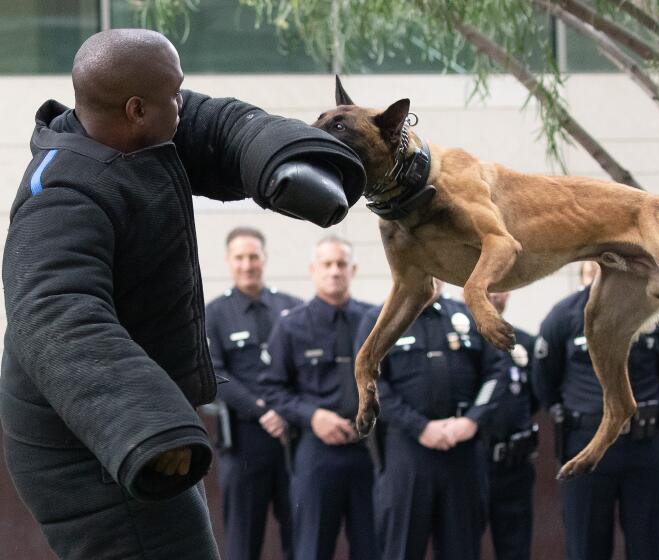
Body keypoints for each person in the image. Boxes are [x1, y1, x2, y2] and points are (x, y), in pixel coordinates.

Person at [0, 29, 365, 560]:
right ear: (135, 109)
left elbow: (210, 125)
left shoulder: (125, 128)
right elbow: (57, 317)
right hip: (86, 449)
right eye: (173, 94)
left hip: (126, 436)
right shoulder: (59, 198)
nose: (183, 102)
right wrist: (150, 425)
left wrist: (281, 158)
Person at [533, 261, 659, 560]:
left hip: (644, 444)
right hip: (586, 444)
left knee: (647, 544)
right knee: (586, 545)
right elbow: (544, 379)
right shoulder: (565, 315)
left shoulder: (654, 311)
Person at [356, 279, 509, 560]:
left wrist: (472, 420)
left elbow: (497, 371)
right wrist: (420, 427)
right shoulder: (379, 320)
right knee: (401, 548)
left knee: (463, 549)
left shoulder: (469, 314)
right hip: (408, 451)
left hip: (462, 450)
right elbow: (373, 383)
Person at [259, 236, 378, 560]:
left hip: (369, 452)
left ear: (353, 269)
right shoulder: (291, 325)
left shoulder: (374, 322)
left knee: (373, 547)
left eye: (341, 264)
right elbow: (272, 388)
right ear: (313, 270)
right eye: (327, 264)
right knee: (312, 548)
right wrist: (312, 416)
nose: (335, 271)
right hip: (316, 451)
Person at [205, 227, 302, 560]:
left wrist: (285, 412)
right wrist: (262, 411)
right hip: (245, 442)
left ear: (264, 258)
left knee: (302, 538)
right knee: (244, 542)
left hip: (294, 439)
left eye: (253, 256)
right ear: (229, 262)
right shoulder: (214, 314)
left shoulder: (291, 308)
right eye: (240, 258)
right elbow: (214, 374)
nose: (248, 264)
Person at [483, 291, 539, 560]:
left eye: (500, 286)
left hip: (514, 466)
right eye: (486, 286)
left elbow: (538, 396)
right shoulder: (463, 341)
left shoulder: (525, 344)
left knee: (516, 549)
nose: (493, 294)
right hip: (470, 466)